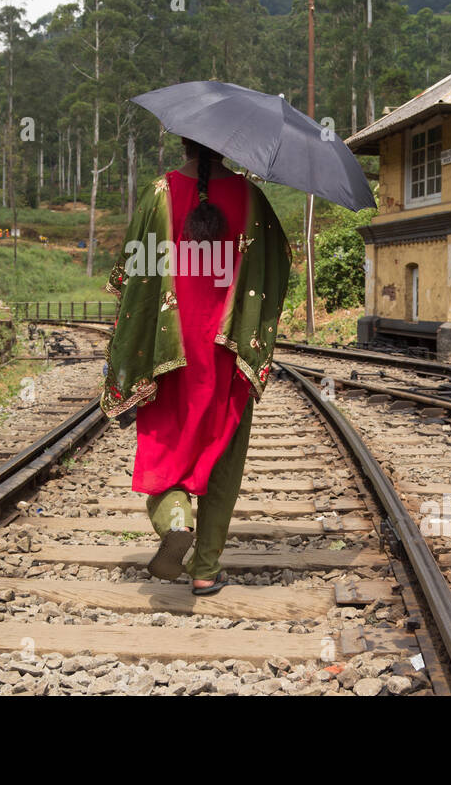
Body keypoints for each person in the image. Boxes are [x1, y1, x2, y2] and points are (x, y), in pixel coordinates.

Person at [100, 137, 291, 595]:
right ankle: (205, 568)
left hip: (169, 352)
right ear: (226, 147)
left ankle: (176, 518)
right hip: (228, 352)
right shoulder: (252, 198)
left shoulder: (159, 193)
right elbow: (280, 265)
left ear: (183, 141)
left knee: (167, 450)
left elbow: (130, 272)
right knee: (223, 454)